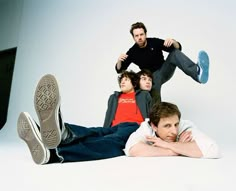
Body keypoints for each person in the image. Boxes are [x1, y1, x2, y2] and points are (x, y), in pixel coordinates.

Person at [17, 71, 152, 164]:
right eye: (121, 80)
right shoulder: (114, 97)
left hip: (134, 127)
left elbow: (153, 114)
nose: (122, 82)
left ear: (134, 83)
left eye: (126, 80)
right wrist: (104, 129)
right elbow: (108, 115)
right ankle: (63, 132)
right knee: (93, 132)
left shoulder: (143, 95)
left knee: (110, 141)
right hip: (113, 127)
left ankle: (55, 152)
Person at [115, 22, 210, 102]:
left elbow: (177, 48)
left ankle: (197, 73)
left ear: (145, 34)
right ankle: (155, 119)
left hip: (164, 70)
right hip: (151, 77)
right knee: (150, 90)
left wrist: (173, 41)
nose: (140, 37)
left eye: (141, 34)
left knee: (175, 53)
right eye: (137, 36)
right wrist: (119, 61)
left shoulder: (154, 42)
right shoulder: (132, 52)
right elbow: (120, 69)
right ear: (133, 37)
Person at [124, 102, 221, 158]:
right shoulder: (147, 128)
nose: (174, 131)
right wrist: (175, 150)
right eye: (167, 126)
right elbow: (132, 149)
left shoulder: (185, 127)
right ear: (154, 126)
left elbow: (213, 149)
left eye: (176, 124)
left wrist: (167, 145)